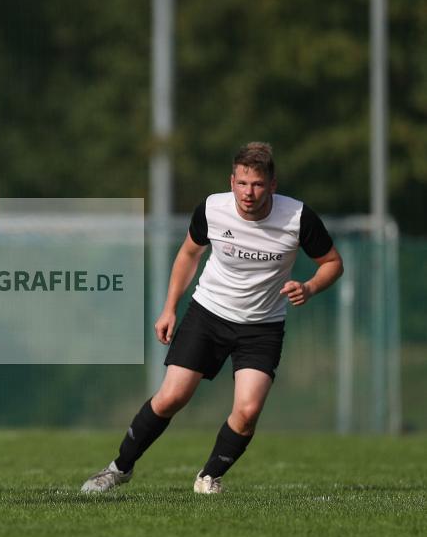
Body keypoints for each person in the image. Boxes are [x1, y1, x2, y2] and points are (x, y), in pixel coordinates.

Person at [82, 142, 343, 494]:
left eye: (257, 184)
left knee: (248, 412)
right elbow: (190, 253)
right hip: (208, 314)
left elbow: (333, 263)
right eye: (242, 183)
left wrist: (310, 288)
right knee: (171, 396)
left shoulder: (298, 218)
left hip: (262, 327)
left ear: (272, 185)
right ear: (231, 181)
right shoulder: (212, 208)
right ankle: (118, 468)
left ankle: (208, 477)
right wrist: (170, 307)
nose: (248, 193)